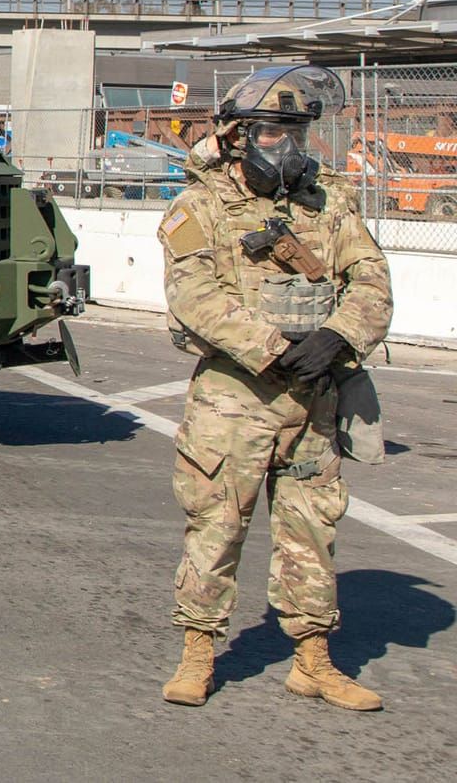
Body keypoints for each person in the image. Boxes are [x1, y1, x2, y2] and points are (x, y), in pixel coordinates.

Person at [158, 64, 391, 711]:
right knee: (217, 527)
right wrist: (273, 348)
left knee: (312, 529)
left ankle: (312, 660)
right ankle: (198, 653)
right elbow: (192, 296)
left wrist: (339, 338)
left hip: (313, 398)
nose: (287, 146)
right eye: (270, 132)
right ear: (236, 136)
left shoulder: (329, 201)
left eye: (296, 131)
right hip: (235, 399)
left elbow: (371, 279)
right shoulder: (199, 207)